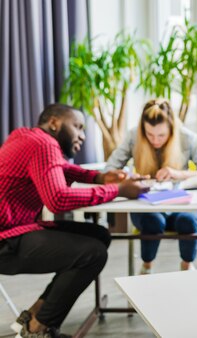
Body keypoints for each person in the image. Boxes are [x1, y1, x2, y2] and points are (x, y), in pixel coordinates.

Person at [0, 103, 147, 338]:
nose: (83, 135)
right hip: (7, 240)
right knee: (93, 253)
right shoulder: (45, 143)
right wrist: (117, 189)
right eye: (77, 126)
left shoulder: (26, 137)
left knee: (99, 235)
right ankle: (39, 330)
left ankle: (35, 315)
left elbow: (60, 170)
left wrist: (99, 177)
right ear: (54, 123)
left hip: (16, 228)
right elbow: (57, 199)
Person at [105, 98, 197, 274]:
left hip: (180, 203)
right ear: (142, 130)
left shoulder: (187, 138)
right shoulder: (133, 136)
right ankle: (146, 267)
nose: (155, 140)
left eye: (161, 135)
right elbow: (110, 169)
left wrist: (179, 174)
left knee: (188, 221)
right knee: (153, 221)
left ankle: (187, 266)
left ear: (172, 129)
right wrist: (130, 176)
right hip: (145, 205)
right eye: (150, 135)